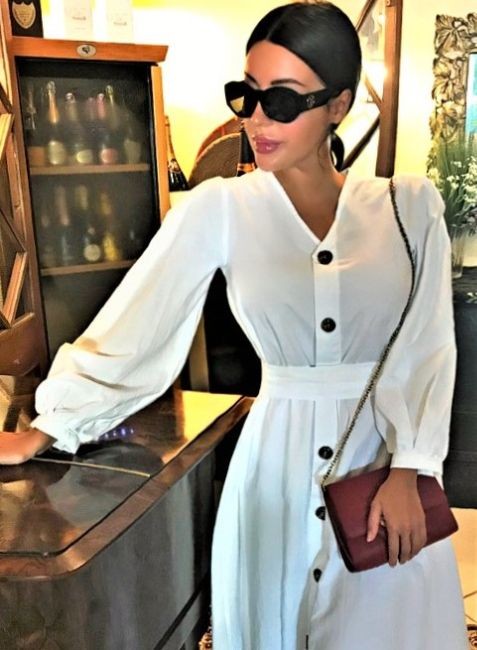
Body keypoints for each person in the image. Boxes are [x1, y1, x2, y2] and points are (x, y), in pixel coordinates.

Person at [0, 2, 468, 648]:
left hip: (382, 461)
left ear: (338, 105)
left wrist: (411, 467)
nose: (255, 118)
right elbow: (136, 322)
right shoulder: (219, 209)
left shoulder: (408, 209)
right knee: (276, 616)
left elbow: (427, 344)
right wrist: (50, 426)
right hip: (273, 470)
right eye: (246, 95)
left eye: (282, 100)